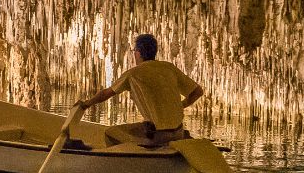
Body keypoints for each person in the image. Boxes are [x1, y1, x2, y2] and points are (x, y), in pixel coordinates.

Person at [70, 34, 204, 149]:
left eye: (134, 50)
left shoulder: (133, 74)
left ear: (138, 52)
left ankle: (132, 157)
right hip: (179, 132)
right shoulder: (169, 68)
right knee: (145, 127)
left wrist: (86, 104)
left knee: (110, 133)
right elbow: (197, 91)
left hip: (157, 135)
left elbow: (106, 94)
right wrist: (180, 106)